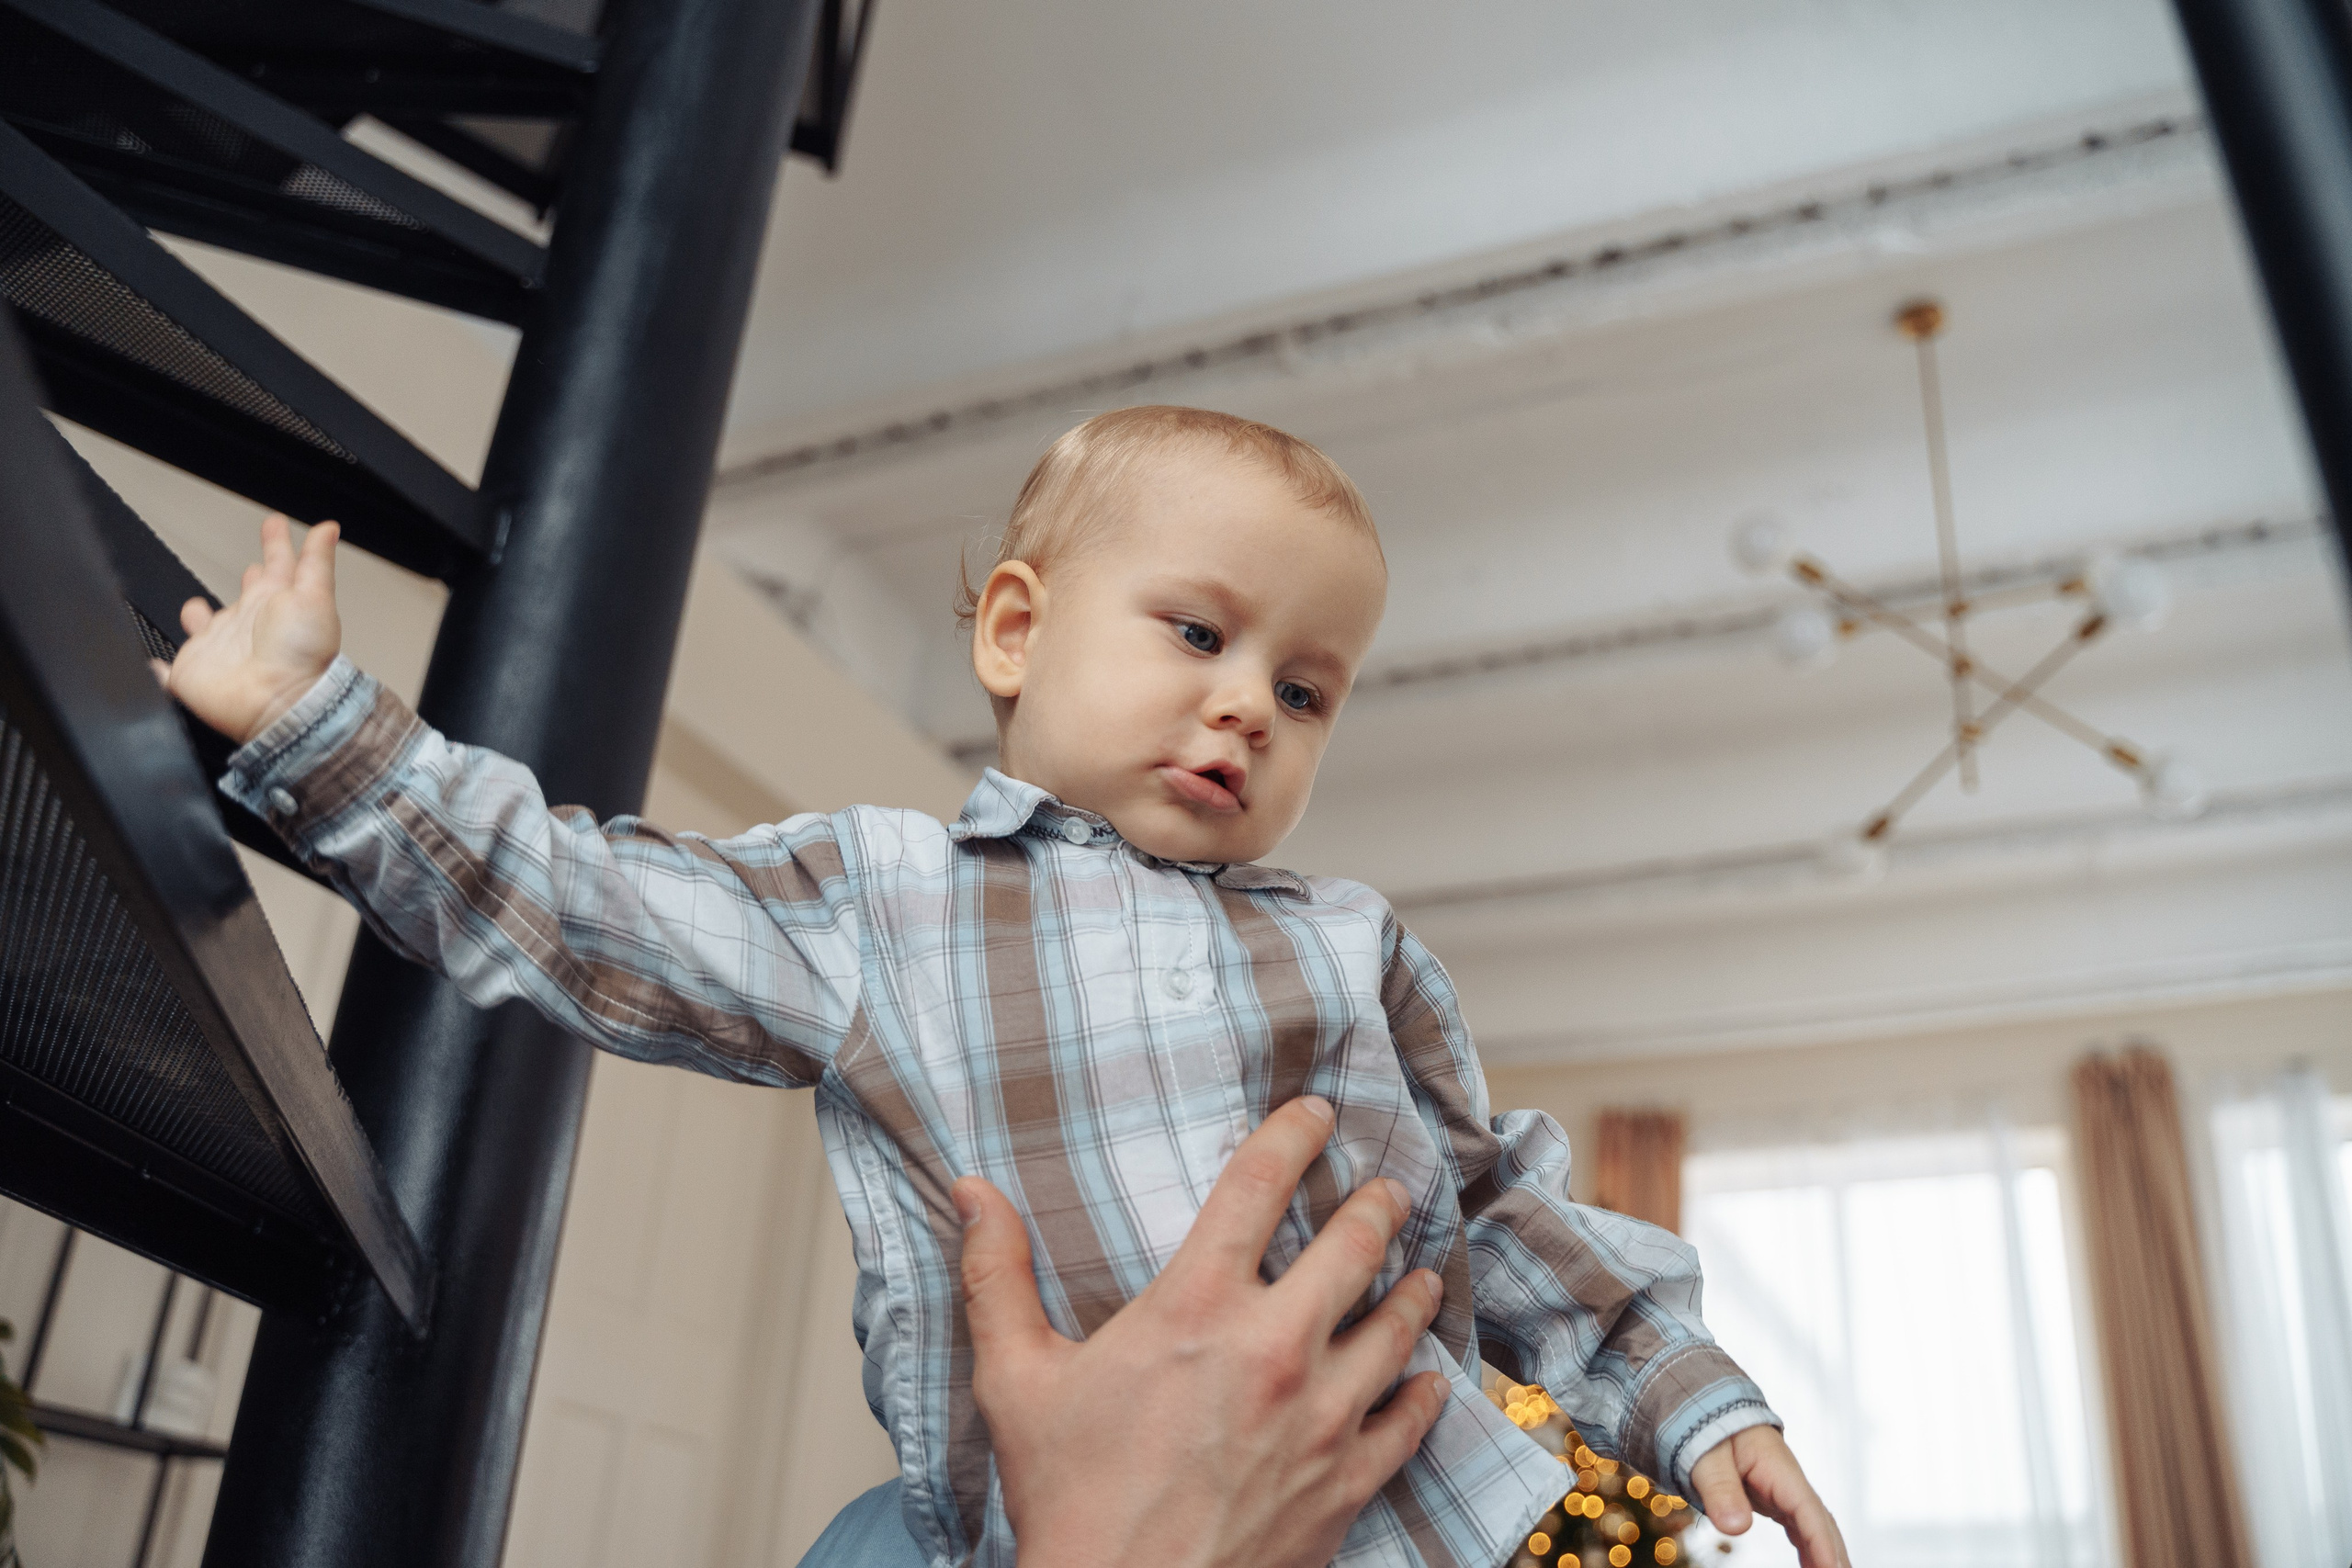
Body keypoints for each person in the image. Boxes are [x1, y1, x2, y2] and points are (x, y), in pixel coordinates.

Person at [161, 405, 1847, 1568]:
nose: (1254, 704)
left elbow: (1496, 1204)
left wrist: (1695, 1401)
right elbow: (592, 905)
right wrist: (324, 734)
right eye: (1201, 634)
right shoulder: (884, 902)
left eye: (1310, 688)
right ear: (1017, 633)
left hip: (1408, 1517)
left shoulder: (1351, 940)